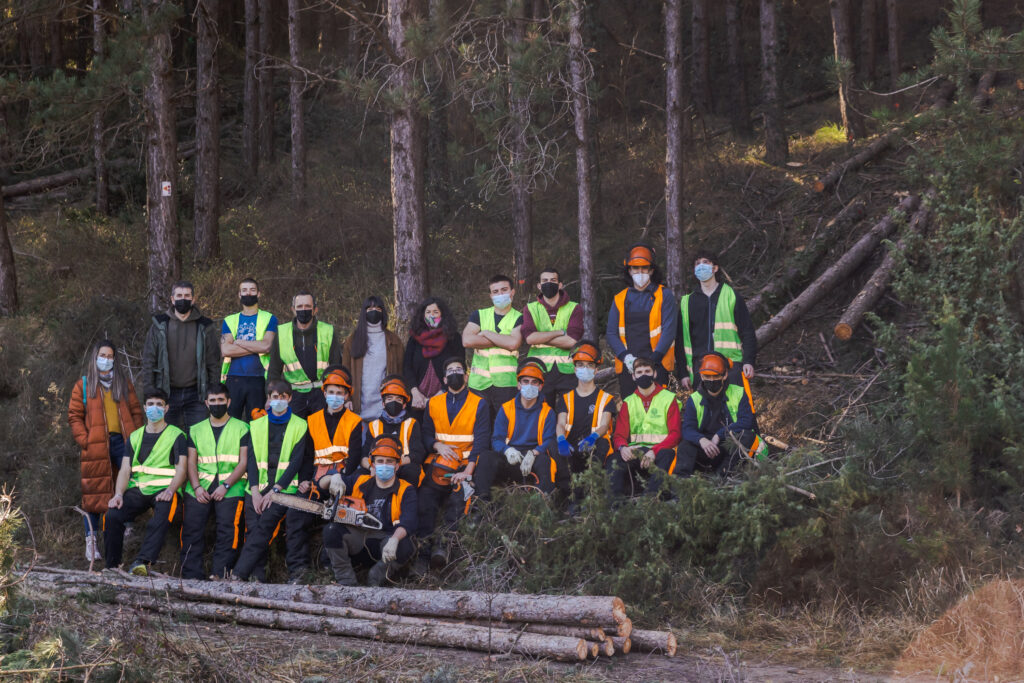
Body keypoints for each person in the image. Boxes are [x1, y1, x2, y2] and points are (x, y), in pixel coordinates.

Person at [68, 340, 144, 562]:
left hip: (123, 442)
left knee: (128, 483)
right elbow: (74, 416)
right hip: (96, 444)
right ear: (95, 357)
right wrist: (86, 440)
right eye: (103, 355)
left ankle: (125, 527)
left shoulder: (123, 383)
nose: (106, 359)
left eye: (110, 356)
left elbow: (136, 412)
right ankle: (91, 542)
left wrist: (136, 437)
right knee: (94, 492)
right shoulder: (83, 385)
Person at [230, 381, 313, 583]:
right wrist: (256, 491)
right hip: (258, 488)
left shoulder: (300, 425)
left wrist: (274, 491)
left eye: (283, 397)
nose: (278, 401)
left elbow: (296, 462)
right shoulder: (256, 425)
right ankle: (256, 575)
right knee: (254, 526)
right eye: (274, 397)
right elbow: (251, 461)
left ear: (290, 398)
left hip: (285, 489)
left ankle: (238, 573)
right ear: (269, 399)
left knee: (264, 524)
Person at [415, 357, 489, 572]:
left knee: (459, 501)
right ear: (445, 378)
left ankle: (443, 547)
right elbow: (426, 433)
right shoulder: (433, 403)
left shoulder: (479, 403)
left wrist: (468, 471)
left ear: (466, 377)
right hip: (438, 465)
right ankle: (422, 553)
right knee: (425, 501)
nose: (455, 373)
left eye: (459, 369)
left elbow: (482, 440)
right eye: (451, 370)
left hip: (465, 466)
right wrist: (437, 445)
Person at [103, 389, 188, 575]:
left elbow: (182, 469)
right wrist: (118, 494)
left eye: (159, 404)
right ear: (144, 407)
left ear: (166, 409)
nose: (154, 408)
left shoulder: (177, 435)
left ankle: (142, 562)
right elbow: (125, 469)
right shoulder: (134, 437)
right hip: (138, 489)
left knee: (161, 516)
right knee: (112, 516)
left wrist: (171, 490)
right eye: (150, 404)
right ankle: (111, 566)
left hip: (165, 490)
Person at [320, 437, 417, 586]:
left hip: (385, 543)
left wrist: (395, 539)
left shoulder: (406, 489)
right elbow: (321, 483)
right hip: (358, 540)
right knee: (331, 530)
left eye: (389, 461)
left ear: (397, 466)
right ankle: (347, 582)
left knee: (405, 544)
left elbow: (409, 521)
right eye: (380, 461)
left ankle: (375, 578)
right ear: (373, 463)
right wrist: (334, 477)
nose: (384, 465)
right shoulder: (360, 481)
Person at [180, 383, 250, 580]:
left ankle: (220, 573)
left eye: (221, 400)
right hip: (199, 486)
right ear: (206, 403)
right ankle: (190, 574)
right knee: (192, 529)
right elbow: (191, 463)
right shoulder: (195, 430)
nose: (217, 404)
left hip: (232, 487)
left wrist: (226, 485)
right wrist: (196, 487)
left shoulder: (242, 428)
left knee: (228, 530)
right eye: (213, 401)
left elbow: (243, 462)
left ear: (228, 402)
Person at [141, 280, 221, 430]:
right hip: (166, 393)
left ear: (193, 299)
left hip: (196, 394)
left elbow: (213, 362)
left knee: (197, 439)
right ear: (172, 299)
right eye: (179, 295)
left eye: (186, 295)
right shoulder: (159, 325)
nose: (182, 299)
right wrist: (150, 392)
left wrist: (212, 392)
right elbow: (148, 361)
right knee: (167, 438)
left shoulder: (204, 326)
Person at [473, 360, 557, 500]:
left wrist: (535, 453)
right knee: (486, 457)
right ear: (518, 385)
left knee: (545, 461)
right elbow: (496, 439)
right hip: (510, 458)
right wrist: (506, 450)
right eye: (525, 381)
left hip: (532, 459)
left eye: (534, 382)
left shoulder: (548, 412)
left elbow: (549, 440)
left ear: (540, 386)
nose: (529, 385)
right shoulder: (506, 408)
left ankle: (542, 501)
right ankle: (481, 503)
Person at [676, 250, 757, 389]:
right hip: (700, 367)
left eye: (705, 262)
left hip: (730, 366)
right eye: (697, 263)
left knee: (733, 409)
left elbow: (748, 331)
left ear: (715, 268)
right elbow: (680, 340)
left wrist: (749, 361)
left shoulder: (731, 296)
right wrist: (683, 373)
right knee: (704, 410)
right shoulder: (687, 302)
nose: (701, 266)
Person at [605, 244, 678, 398]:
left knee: (659, 410)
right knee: (631, 411)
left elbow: (669, 331)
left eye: (644, 268)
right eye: (635, 268)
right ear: (629, 270)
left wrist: (653, 360)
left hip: (658, 364)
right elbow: (611, 333)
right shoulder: (619, 299)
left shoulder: (664, 295)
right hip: (628, 366)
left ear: (651, 270)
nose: (640, 272)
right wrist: (626, 358)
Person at [679, 352, 765, 476]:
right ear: (702, 376)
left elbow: (746, 421)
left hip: (729, 445)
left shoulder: (738, 392)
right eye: (707, 376)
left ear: (724, 375)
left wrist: (719, 435)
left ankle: (723, 475)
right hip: (705, 447)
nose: (711, 380)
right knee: (685, 446)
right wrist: (701, 440)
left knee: (747, 436)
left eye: (715, 376)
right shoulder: (694, 399)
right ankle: (681, 484)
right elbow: (687, 429)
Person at [554, 342, 617, 505]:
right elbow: (561, 423)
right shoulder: (566, 398)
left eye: (589, 365)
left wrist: (593, 437)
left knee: (602, 445)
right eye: (580, 365)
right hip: (571, 445)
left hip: (594, 446)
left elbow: (604, 425)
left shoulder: (606, 398)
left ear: (596, 370)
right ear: (575, 369)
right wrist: (561, 439)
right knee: (555, 452)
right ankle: (570, 498)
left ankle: (592, 496)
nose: (584, 369)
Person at [608, 357, 681, 497]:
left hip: (661, 450)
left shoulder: (668, 398)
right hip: (636, 450)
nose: (643, 375)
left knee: (667, 456)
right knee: (614, 460)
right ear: (633, 376)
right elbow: (619, 436)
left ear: (654, 374)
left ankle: (652, 500)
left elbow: (675, 434)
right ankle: (615, 504)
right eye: (639, 372)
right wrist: (623, 448)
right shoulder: (628, 402)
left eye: (647, 371)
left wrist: (654, 450)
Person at [267, 291, 342, 418]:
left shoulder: (328, 331)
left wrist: (336, 395)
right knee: (296, 435)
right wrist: (270, 397)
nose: (304, 309)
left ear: (315, 309)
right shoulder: (282, 332)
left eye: (308, 306)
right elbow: (274, 370)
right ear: (293, 309)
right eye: (300, 306)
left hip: (321, 395)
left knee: (320, 435)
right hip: (292, 396)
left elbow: (336, 367)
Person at [522, 267, 584, 406]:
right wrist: (559, 332)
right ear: (539, 286)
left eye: (553, 280)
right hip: (539, 370)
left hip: (568, 371)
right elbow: (530, 339)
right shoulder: (530, 308)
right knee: (541, 414)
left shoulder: (574, 308)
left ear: (560, 285)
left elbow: (571, 341)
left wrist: (541, 336)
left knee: (569, 413)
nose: (548, 283)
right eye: (544, 281)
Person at [464, 275, 523, 416]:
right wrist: (503, 341)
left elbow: (513, 343)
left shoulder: (519, 317)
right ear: (490, 295)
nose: (500, 294)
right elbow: (467, 340)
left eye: (504, 290)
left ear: (512, 292)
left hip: (506, 384)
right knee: (479, 427)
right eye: (495, 292)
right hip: (478, 384)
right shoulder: (478, 315)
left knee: (505, 428)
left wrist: (486, 333)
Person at [220, 278, 278, 420]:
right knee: (231, 422)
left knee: (258, 422)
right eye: (244, 290)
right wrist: (256, 346)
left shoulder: (269, 318)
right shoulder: (230, 320)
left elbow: (267, 346)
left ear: (259, 294)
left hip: (258, 379)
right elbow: (226, 350)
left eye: (252, 290)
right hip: (233, 378)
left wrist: (238, 342)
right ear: (239, 294)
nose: (248, 293)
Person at [342, 296, 404, 420]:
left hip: (385, 410)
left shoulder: (393, 340)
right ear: (364, 312)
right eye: (369, 308)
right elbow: (345, 372)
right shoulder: (353, 340)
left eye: (377, 308)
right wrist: (346, 399)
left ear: (383, 312)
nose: (374, 311)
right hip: (357, 408)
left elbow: (400, 373)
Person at [403, 296, 464, 420]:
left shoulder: (453, 337)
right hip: (417, 402)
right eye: (428, 312)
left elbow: (460, 366)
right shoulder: (415, 338)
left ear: (442, 314)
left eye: (435, 312)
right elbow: (406, 367)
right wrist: (414, 392)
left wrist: (441, 393)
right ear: (422, 315)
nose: (432, 315)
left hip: (445, 397)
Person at [363, 376, 425, 486]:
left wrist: (394, 465)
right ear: (383, 403)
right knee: (360, 475)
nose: (394, 402)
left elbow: (418, 454)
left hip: (403, 466)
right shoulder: (373, 425)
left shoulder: (412, 423)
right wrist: (371, 468)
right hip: (379, 467)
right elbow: (363, 456)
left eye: (398, 399)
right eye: (389, 399)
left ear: (404, 404)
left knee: (412, 472)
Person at [306, 366, 363, 486]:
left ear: (346, 396)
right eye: (331, 392)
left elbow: (355, 456)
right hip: (317, 475)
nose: (335, 396)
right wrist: (305, 480)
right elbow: (308, 455)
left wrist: (343, 475)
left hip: (344, 475)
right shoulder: (312, 420)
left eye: (339, 393)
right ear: (325, 393)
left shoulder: (354, 421)